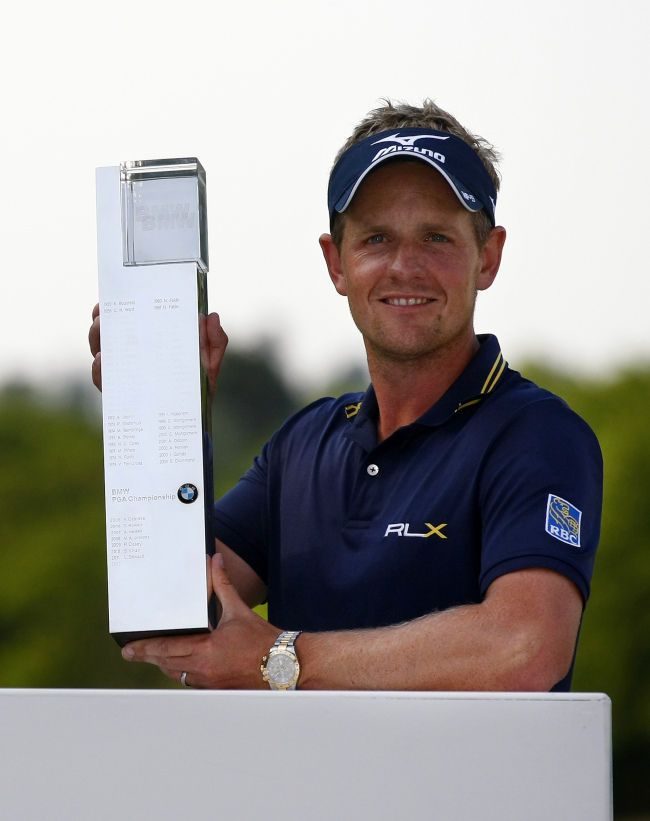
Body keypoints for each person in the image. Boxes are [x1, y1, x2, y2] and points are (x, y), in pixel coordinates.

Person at [89, 99, 602, 692]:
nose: (405, 267)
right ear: (336, 265)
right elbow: (158, 611)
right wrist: (163, 414)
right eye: (377, 238)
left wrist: (281, 660)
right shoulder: (301, 446)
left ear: (488, 257)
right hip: (292, 788)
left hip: (461, 790)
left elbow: (527, 647)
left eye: (436, 236)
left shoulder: (537, 435)